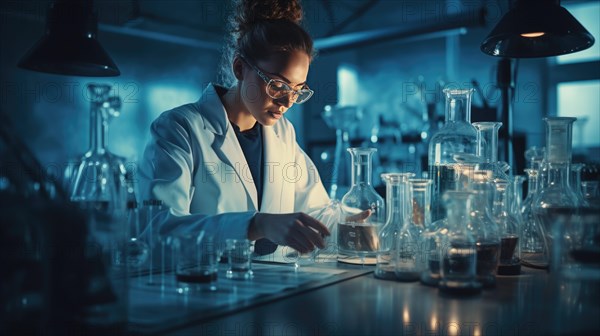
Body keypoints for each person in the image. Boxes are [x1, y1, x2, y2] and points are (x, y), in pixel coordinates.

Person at [139, 0, 332, 256]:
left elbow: (316, 210)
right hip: (206, 291)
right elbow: (159, 229)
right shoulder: (180, 129)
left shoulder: (282, 133)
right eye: (277, 85)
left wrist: (357, 221)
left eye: (297, 91)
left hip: (275, 290)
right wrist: (254, 225)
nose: (287, 102)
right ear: (240, 68)